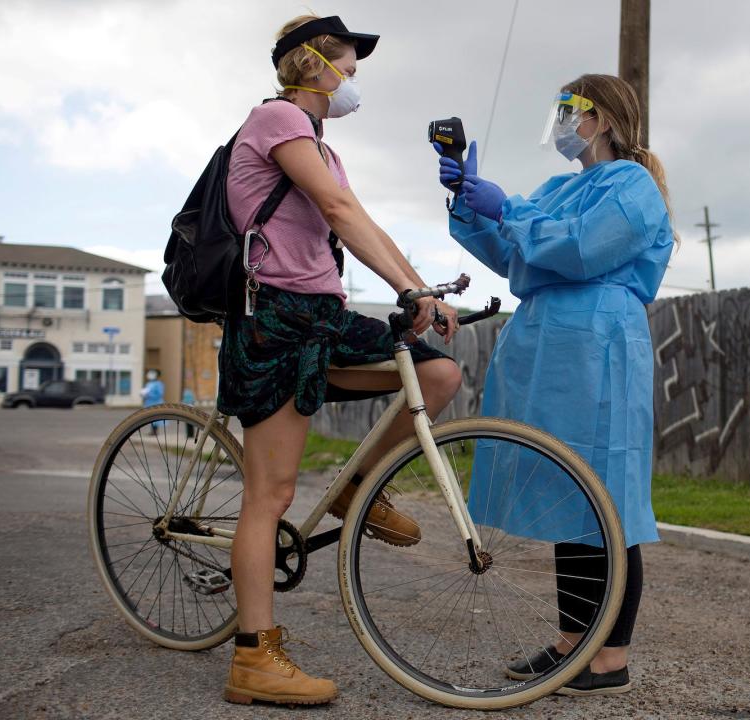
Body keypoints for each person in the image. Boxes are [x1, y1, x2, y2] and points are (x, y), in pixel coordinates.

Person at [219, 14, 462, 707]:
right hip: (271, 318)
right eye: (347, 66)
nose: (353, 78)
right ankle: (252, 658)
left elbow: (355, 215)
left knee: (438, 373)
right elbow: (336, 208)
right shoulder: (276, 119)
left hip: (321, 316)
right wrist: (406, 286)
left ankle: (357, 487)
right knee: (272, 494)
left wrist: (419, 286)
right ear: (311, 64)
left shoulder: (323, 146)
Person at [434, 73, 676, 696]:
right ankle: (574, 642)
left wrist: (508, 206)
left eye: (570, 109)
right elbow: (517, 254)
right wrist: (468, 199)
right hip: (549, 342)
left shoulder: (633, 185)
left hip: (599, 344)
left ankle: (609, 657)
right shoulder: (557, 188)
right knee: (571, 493)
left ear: (603, 118)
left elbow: (578, 248)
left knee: (608, 497)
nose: (562, 120)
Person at [140, 369, 165, 434]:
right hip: (149, 403)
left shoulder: (159, 384)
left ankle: (155, 431)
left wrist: (149, 395)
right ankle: (152, 431)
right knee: (151, 418)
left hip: (156, 402)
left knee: (155, 418)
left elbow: (160, 394)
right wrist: (143, 394)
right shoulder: (149, 383)